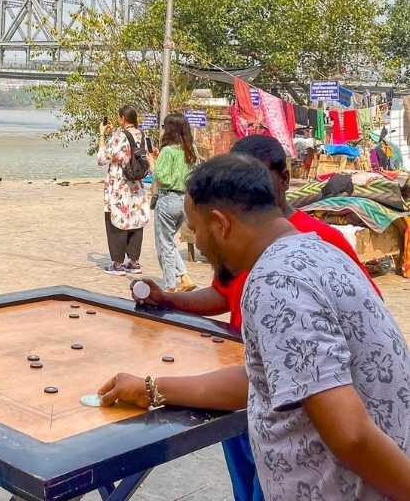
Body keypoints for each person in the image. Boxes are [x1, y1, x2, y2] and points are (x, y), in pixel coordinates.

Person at [99, 154, 410, 501]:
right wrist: (150, 388)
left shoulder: (275, 282)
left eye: (195, 228)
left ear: (220, 224)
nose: (197, 241)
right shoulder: (319, 250)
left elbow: (351, 434)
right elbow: (267, 378)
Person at [98, 105, 149, 275]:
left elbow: (102, 158)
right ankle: (134, 262)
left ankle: (117, 264)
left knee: (116, 222)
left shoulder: (118, 136)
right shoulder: (142, 135)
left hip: (119, 186)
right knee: (135, 221)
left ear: (122, 118)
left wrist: (102, 135)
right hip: (136, 185)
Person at [152, 113, 198, 292]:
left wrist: (153, 163)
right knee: (169, 242)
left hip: (168, 199)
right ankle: (185, 277)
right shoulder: (190, 149)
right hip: (184, 200)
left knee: (164, 244)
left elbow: (162, 178)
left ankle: (170, 284)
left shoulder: (168, 150)